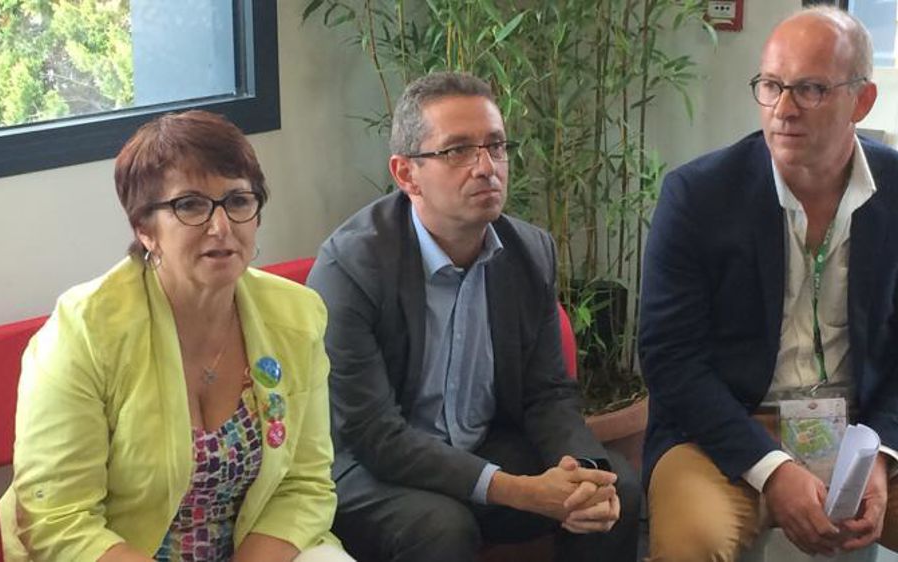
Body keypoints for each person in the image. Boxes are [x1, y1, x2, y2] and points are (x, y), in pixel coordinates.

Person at [307, 71, 641, 562]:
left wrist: (583, 473)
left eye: (497, 146)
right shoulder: (352, 266)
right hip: (370, 472)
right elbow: (376, 436)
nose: (486, 167)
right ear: (406, 174)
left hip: (482, 449)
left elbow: (547, 392)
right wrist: (520, 491)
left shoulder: (530, 252)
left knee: (615, 488)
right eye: (457, 150)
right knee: (441, 528)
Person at [0, 110, 352, 562]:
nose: (221, 226)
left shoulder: (296, 315)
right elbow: (59, 519)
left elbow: (305, 482)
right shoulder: (84, 330)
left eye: (238, 201)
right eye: (190, 205)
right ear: (145, 229)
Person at [639, 6, 898, 560]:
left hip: (864, 428)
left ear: (862, 100)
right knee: (692, 544)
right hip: (723, 432)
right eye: (771, 86)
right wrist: (772, 469)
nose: (782, 109)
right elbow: (670, 360)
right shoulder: (697, 196)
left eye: (809, 89)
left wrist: (882, 453)